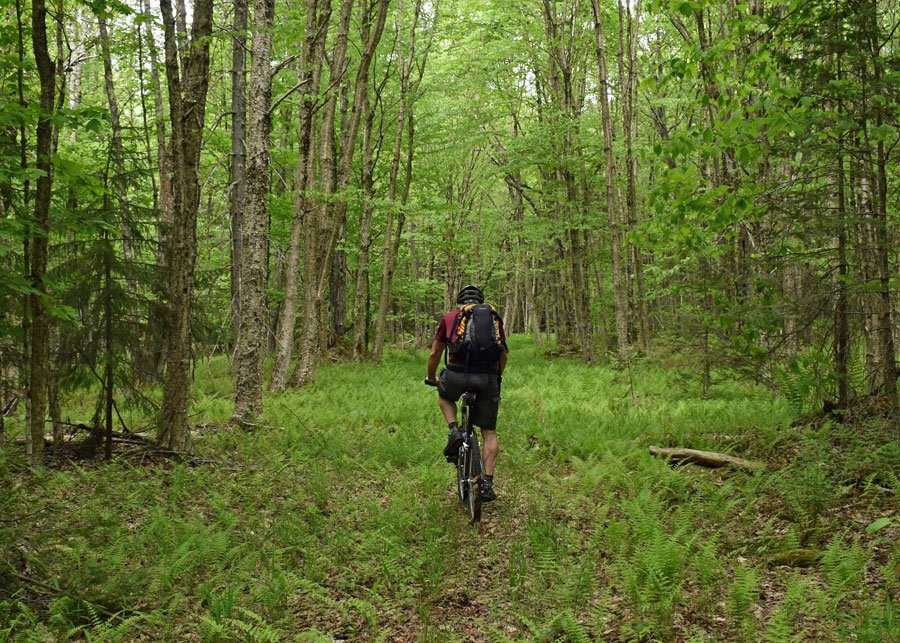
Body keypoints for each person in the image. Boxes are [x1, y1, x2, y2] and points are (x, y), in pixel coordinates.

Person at [425, 284, 508, 501]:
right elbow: (503, 355)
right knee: (489, 431)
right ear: (481, 301)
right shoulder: (493, 319)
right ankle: (487, 483)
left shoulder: (450, 318)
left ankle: (454, 429)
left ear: (460, 302)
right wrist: (496, 377)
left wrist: (432, 377)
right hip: (487, 378)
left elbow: (435, 353)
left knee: (444, 397)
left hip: (456, 375)